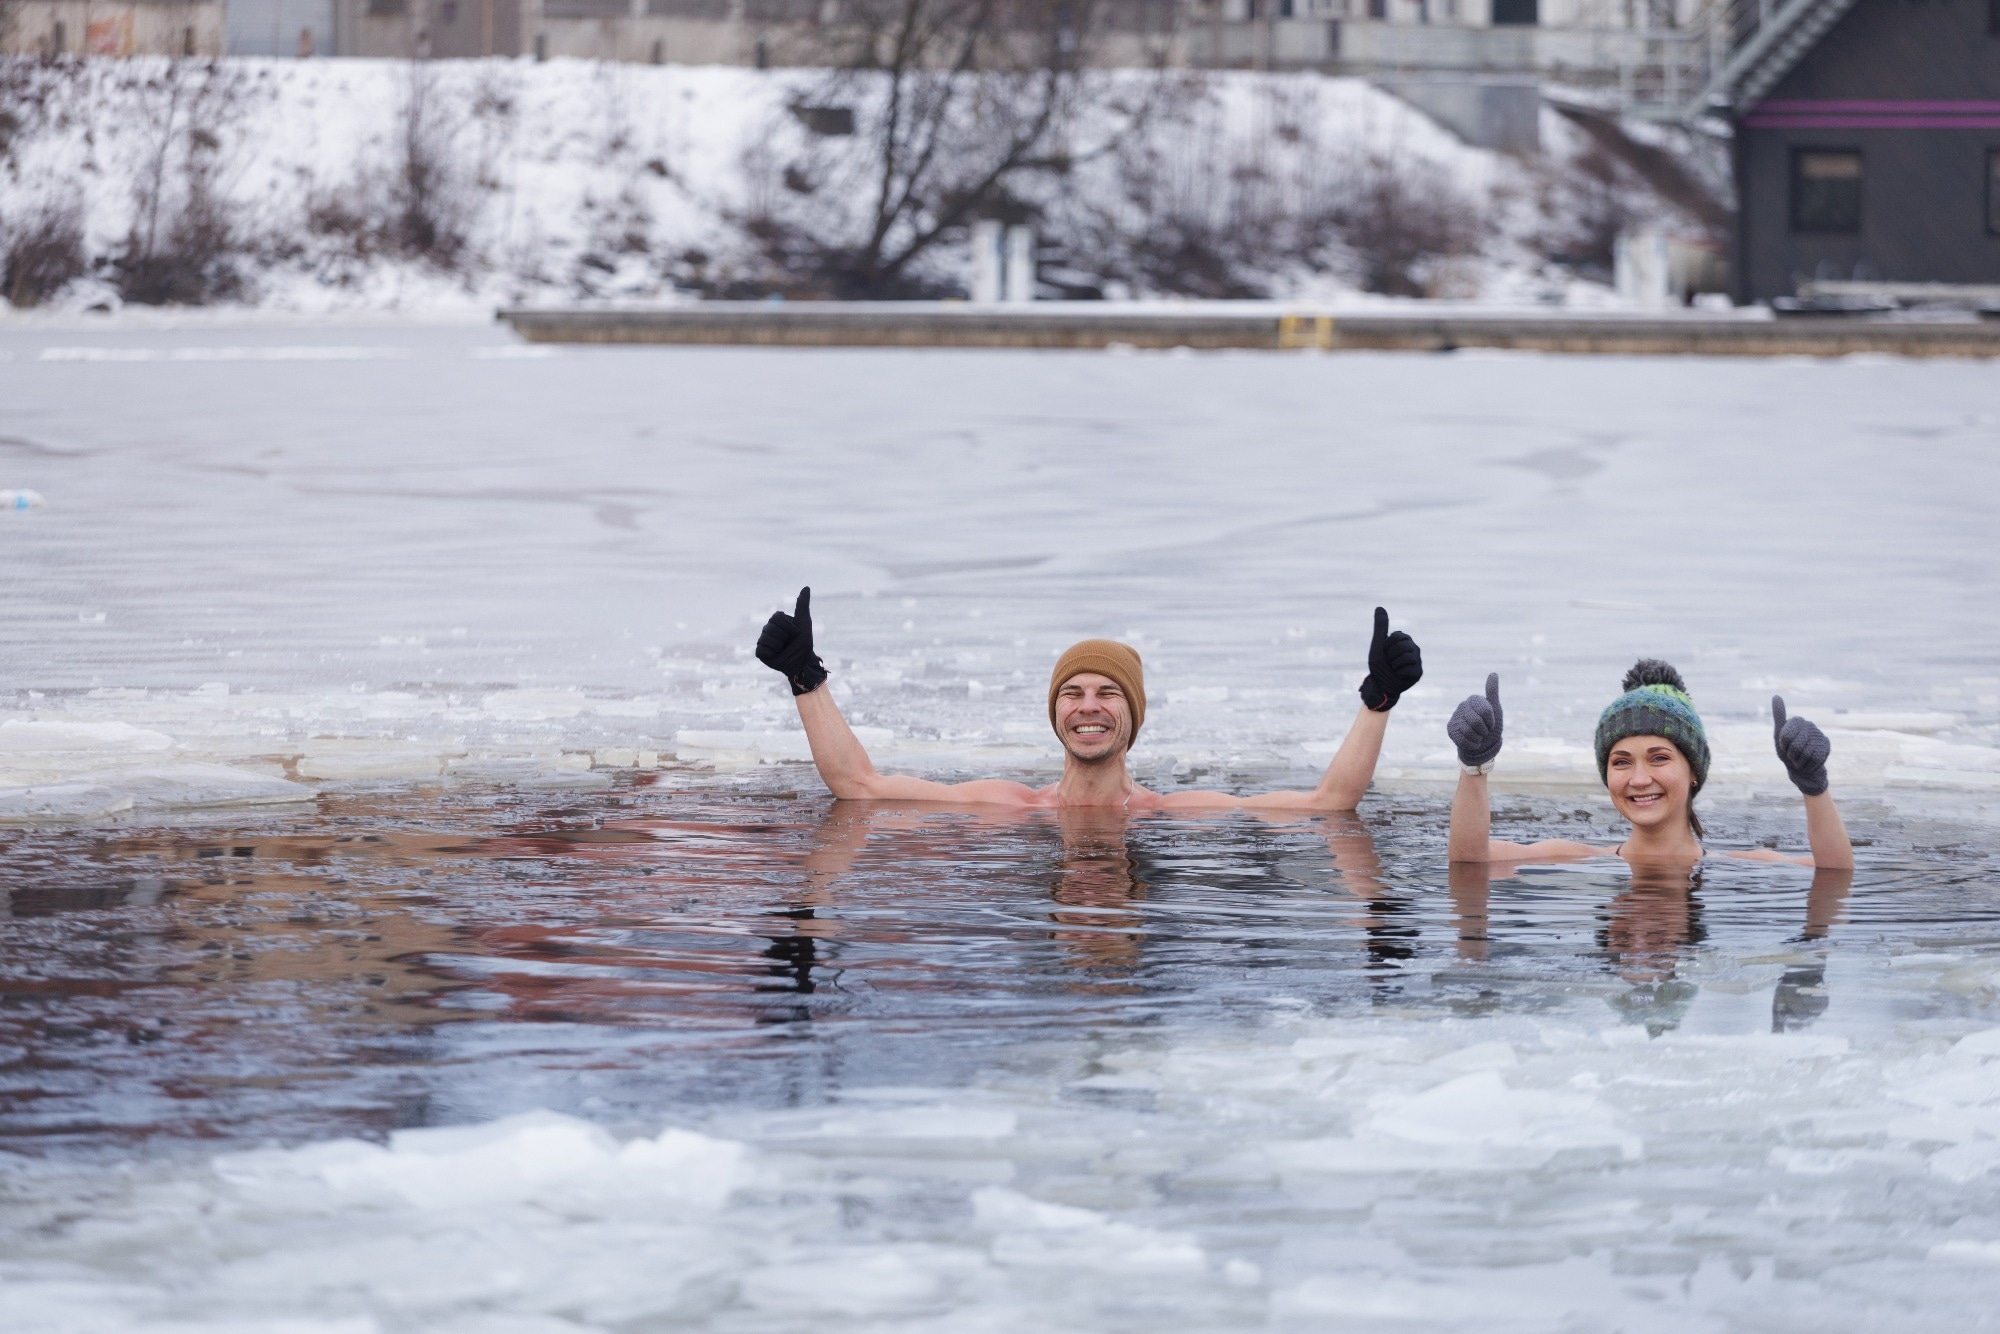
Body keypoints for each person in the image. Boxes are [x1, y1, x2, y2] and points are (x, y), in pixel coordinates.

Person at [754, 587, 1424, 811]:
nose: (1088, 705)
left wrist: (1378, 700)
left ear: (1132, 714)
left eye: (1108, 693)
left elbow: (1327, 803)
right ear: (1055, 714)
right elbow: (858, 787)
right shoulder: (1009, 807)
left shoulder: (1174, 814)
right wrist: (806, 680)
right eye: (1072, 693)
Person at [1443, 659, 1854, 870]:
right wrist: (1474, 765)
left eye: (1659, 758)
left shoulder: (1746, 865)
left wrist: (1813, 786)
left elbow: (1835, 872)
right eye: (1621, 762)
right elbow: (1469, 859)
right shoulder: (1576, 856)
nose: (1640, 779)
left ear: (1694, 771)